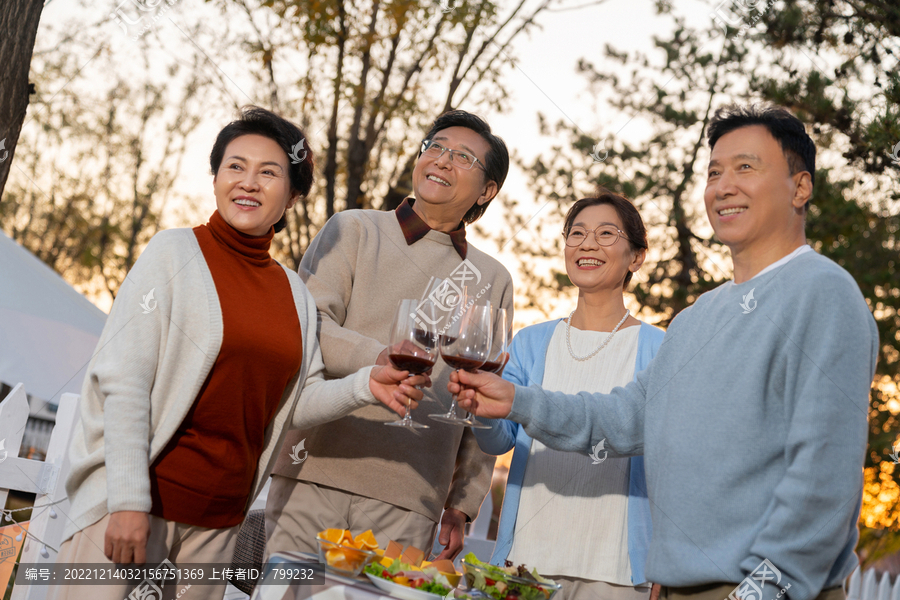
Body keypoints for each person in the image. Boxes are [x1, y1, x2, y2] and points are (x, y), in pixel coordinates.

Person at [451, 104, 878, 600]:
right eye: (714, 172)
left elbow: (823, 477)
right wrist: (516, 401)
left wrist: (763, 593)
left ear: (800, 187)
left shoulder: (823, 293)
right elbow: (623, 419)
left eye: (746, 167)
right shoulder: (697, 318)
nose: (724, 185)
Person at [52, 107, 426, 600]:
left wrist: (363, 386)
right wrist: (126, 502)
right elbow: (124, 384)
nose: (248, 182)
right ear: (215, 177)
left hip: (218, 524)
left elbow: (295, 401)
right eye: (235, 166)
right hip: (138, 510)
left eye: (268, 172)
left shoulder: (293, 292)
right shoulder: (172, 254)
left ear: (291, 196)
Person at [266, 110, 514, 559]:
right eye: (434, 147)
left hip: (413, 492)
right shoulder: (353, 229)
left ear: (488, 189)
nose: (441, 160)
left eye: (462, 157)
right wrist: (379, 357)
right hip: (315, 466)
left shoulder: (493, 278)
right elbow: (308, 326)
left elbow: (481, 395)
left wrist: (463, 503)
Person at [472, 190, 663, 600]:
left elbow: (671, 467)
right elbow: (498, 440)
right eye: (576, 233)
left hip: (617, 575)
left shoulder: (659, 349)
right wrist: (479, 410)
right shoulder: (530, 342)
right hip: (526, 564)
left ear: (637, 257)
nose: (587, 244)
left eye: (606, 233)